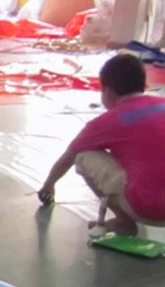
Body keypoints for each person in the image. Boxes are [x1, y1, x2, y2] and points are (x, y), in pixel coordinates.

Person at [38, 53, 165, 236]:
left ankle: (124, 221)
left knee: (83, 156)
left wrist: (48, 186)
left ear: (108, 90)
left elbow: (69, 156)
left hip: (147, 208)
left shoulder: (108, 121)